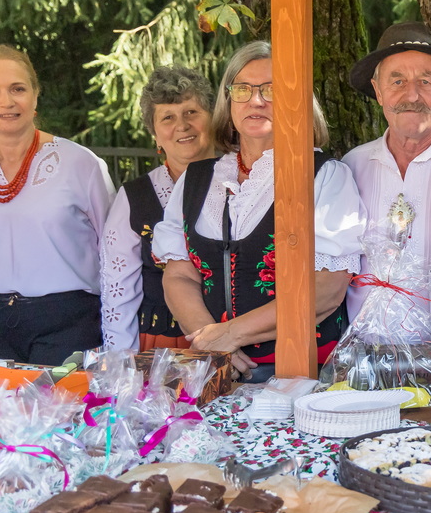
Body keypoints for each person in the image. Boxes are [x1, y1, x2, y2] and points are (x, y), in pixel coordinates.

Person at [152, 42, 363, 379]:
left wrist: (230, 336)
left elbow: (328, 287)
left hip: (303, 370)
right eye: (243, 89)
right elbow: (178, 274)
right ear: (228, 99)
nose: (256, 100)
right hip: (215, 368)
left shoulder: (324, 175)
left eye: (272, 89)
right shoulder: (196, 179)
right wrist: (211, 343)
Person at [0, 44, 115, 365]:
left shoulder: (81, 163)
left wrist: (119, 340)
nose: (6, 102)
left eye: (18, 89)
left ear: (35, 95)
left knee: (61, 414)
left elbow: (117, 256)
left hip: (66, 325)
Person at [343, 21, 431, 321]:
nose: (412, 96)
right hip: (362, 353)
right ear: (378, 91)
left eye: (426, 81)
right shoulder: (351, 168)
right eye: (397, 81)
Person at [100, 66, 214, 351]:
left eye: (191, 112)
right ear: (155, 135)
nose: (182, 125)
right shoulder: (135, 197)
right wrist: (121, 365)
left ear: (212, 119)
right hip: (162, 347)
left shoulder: (245, 182)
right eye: (167, 117)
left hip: (242, 338)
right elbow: (118, 293)